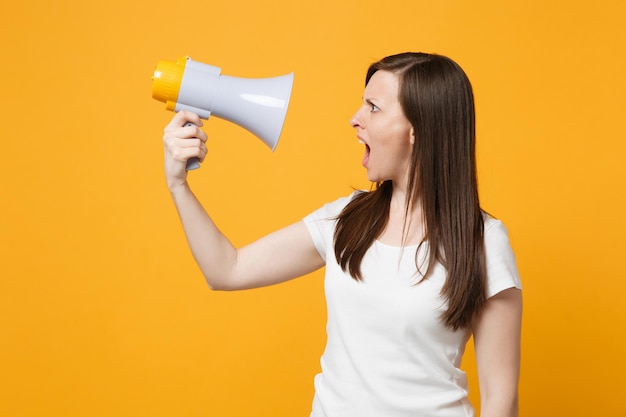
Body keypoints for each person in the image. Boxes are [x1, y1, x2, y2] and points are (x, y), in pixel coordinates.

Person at [161, 52, 522, 417]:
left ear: (418, 128)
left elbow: (500, 399)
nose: (355, 119)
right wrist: (178, 185)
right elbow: (227, 269)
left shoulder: (484, 242)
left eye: (374, 108)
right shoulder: (345, 220)